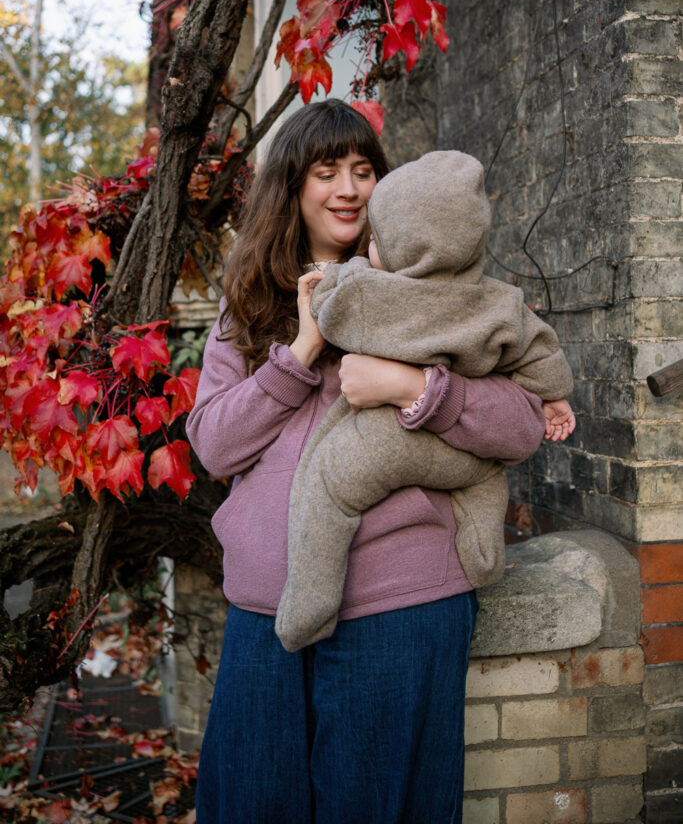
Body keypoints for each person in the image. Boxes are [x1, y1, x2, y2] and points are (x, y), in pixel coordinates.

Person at [186, 99, 549, 824]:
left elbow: (519, 426)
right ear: (292, 186)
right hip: (265, 606)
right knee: (254, 804)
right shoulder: (249, 306)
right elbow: (215, 444)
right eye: (327, 172)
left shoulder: (437, 293)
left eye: (363, 170)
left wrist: (418, 387)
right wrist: (303, 350)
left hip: (402, 605)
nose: (349, 188)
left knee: (382, 808)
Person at [275, 150, 575, 652]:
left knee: (328, 483)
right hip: (469, 456)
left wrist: (329, 281)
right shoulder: (498, 302)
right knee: (481, 480)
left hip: (390, 436)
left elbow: (333, 310)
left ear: (395, 247)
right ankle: (484, 555)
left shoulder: (373, 293)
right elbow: (537, 346)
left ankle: (310, 602)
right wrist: (554, 397)